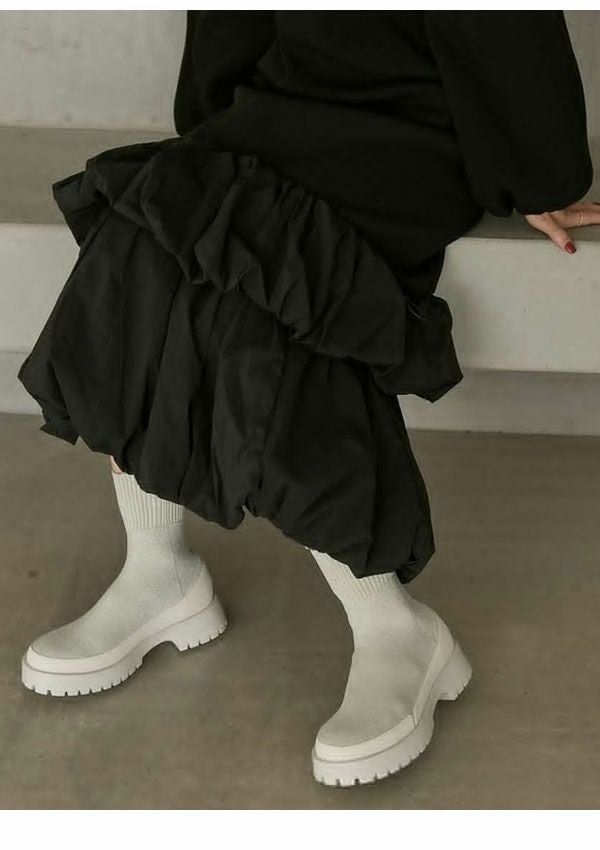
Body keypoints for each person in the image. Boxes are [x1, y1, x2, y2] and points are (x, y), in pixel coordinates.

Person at [16, 12, 598, 787]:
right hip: (284, 97)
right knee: (147, 237)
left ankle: (396, 628)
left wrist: (539, 176)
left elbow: (503, 28)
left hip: (420, 125)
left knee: (270, 289)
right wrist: (217, 123)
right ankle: (159, 570)